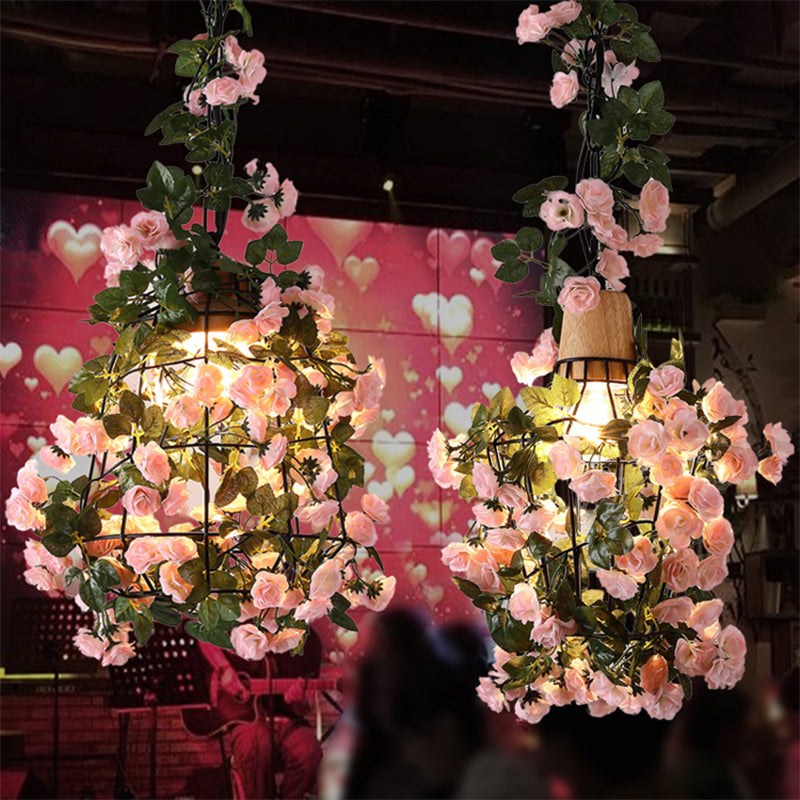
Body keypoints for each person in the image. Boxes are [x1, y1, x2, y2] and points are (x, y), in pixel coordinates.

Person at [197, 629, 324, 800]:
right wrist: (224, 668)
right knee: (254, 741)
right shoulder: (245, 621)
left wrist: (297, 701)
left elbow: (305, 708)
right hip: (247, 720)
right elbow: (203, 633)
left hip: (289, 722)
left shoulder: (308, 640)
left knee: (308, 748)